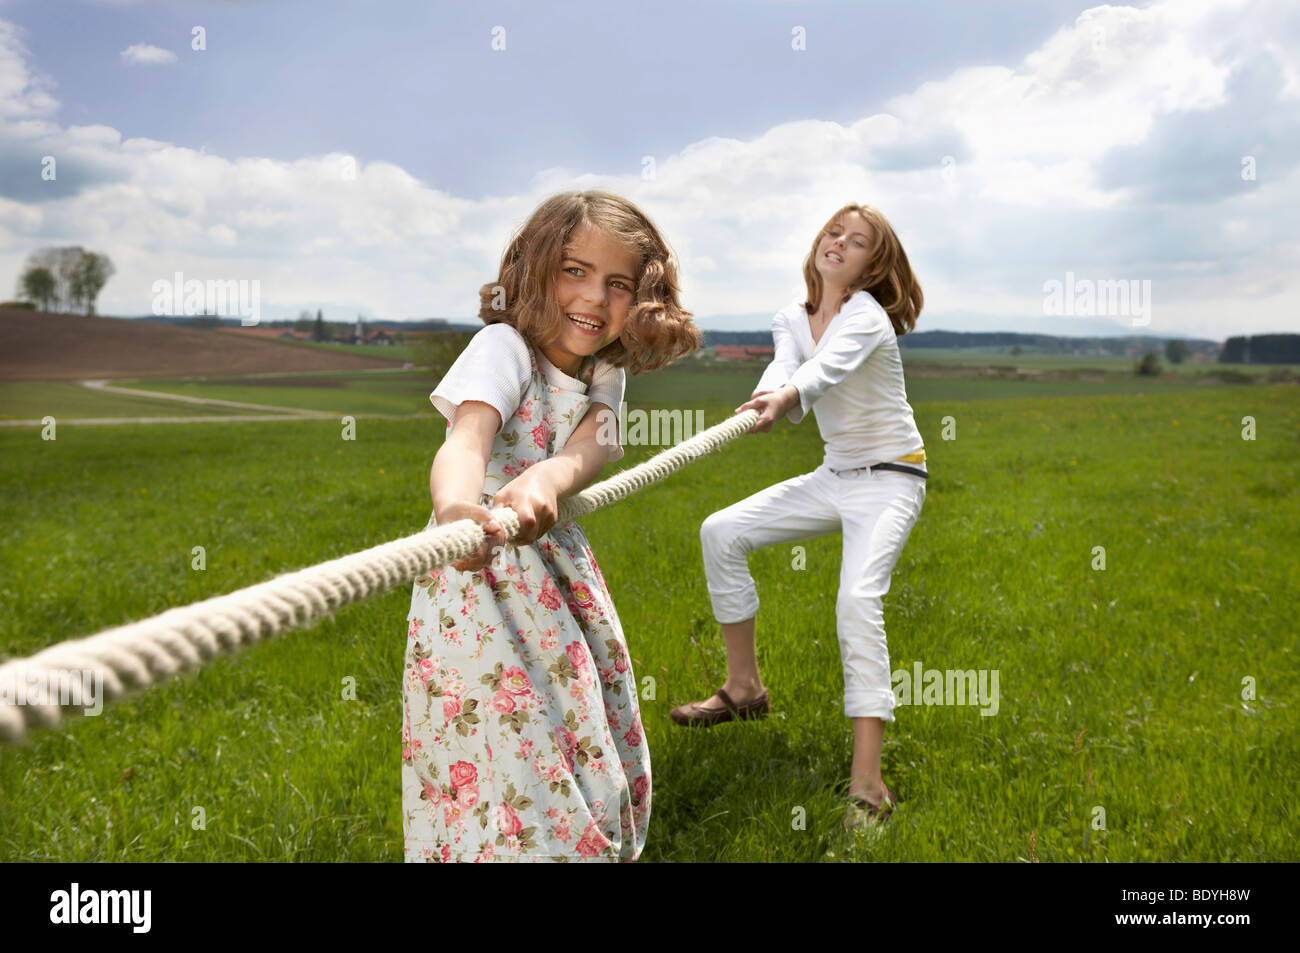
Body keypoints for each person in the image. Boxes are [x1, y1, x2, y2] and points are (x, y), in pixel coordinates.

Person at [403, 190, 701, 862]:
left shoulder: (606, 369)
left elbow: (592, 442)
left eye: (617, 283)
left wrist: (549, 478)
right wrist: (455, 511)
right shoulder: (502, 346)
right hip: (480, 577)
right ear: (535, 269)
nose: (594, 298)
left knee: (583, 724)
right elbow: (466, 439)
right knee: (505, 747)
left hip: (556, 567)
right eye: (575, 270)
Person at [669, 203, 927, 832]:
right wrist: (768, 393)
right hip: (834, 475)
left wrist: (787, 397)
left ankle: (869, 786)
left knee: (856, 601)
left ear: (874, 264)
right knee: (721, 531)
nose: (840, 243)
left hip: (892, 479)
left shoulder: (866, 316)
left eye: (858, 241)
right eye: (834, 232)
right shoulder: (792, 314)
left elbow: (820, 372)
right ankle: (744, 690)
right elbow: (787, 364)